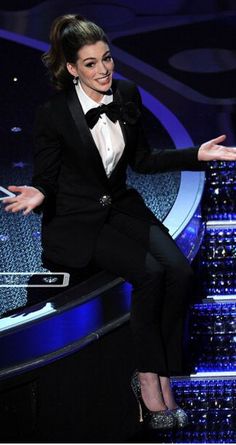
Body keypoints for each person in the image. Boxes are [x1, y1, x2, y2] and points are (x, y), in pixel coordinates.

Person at [3, 14, 236, 430]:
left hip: (123, 207)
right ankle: (149, 379)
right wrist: (39, 194)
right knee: (149, 275)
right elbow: (47, 176)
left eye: (106, 58)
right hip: (79, 220)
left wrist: (194, 155)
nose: (103, 69)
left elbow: (143, 160)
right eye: (90, 63)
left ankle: (163, 366)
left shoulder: (127, 93)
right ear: (72, 69)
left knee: (180, 271)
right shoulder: (53, 113)